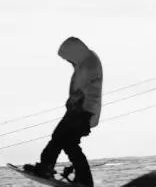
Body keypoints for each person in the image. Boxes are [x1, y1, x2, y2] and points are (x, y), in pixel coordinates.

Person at [24, 37, 103, 186]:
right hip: (82, 110)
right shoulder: (87, 61)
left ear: (75, 53)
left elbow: (82, 89)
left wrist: (74, 102)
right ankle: (81, 178)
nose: (68, 62)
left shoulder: (88, 64)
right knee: (66, 142)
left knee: (63, 140)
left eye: (69, 58)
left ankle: (49, 169)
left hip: (82, 112)